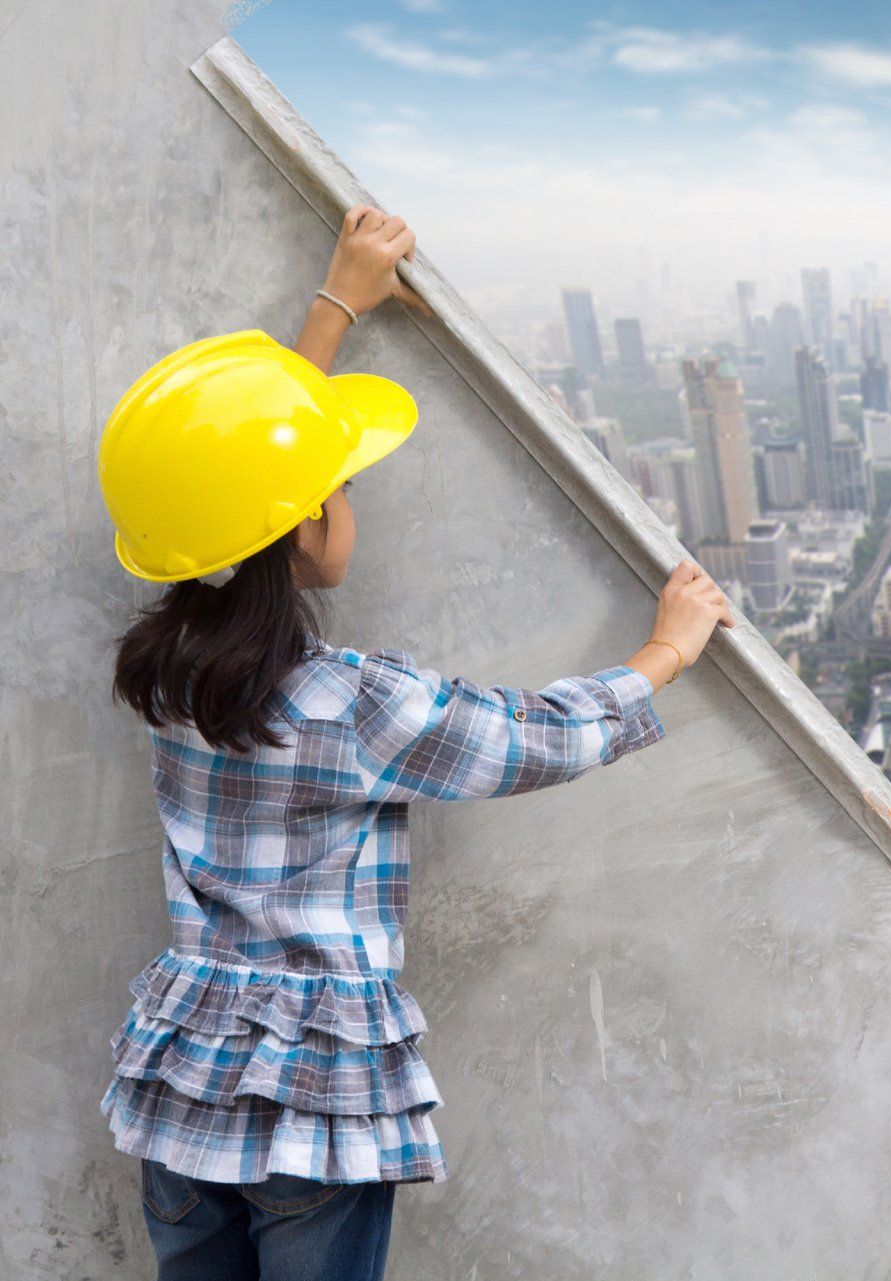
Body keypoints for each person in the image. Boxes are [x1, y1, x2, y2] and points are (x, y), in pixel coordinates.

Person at [94, 205, 734, 1280]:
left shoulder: (167, 672)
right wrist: (663, 652)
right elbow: (530, 740)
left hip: (187, 1079)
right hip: (313, 1098)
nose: (347, 497)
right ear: (304, 523)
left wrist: (335, 307)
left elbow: (230, 478)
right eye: (337, 485)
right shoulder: (353, 704)